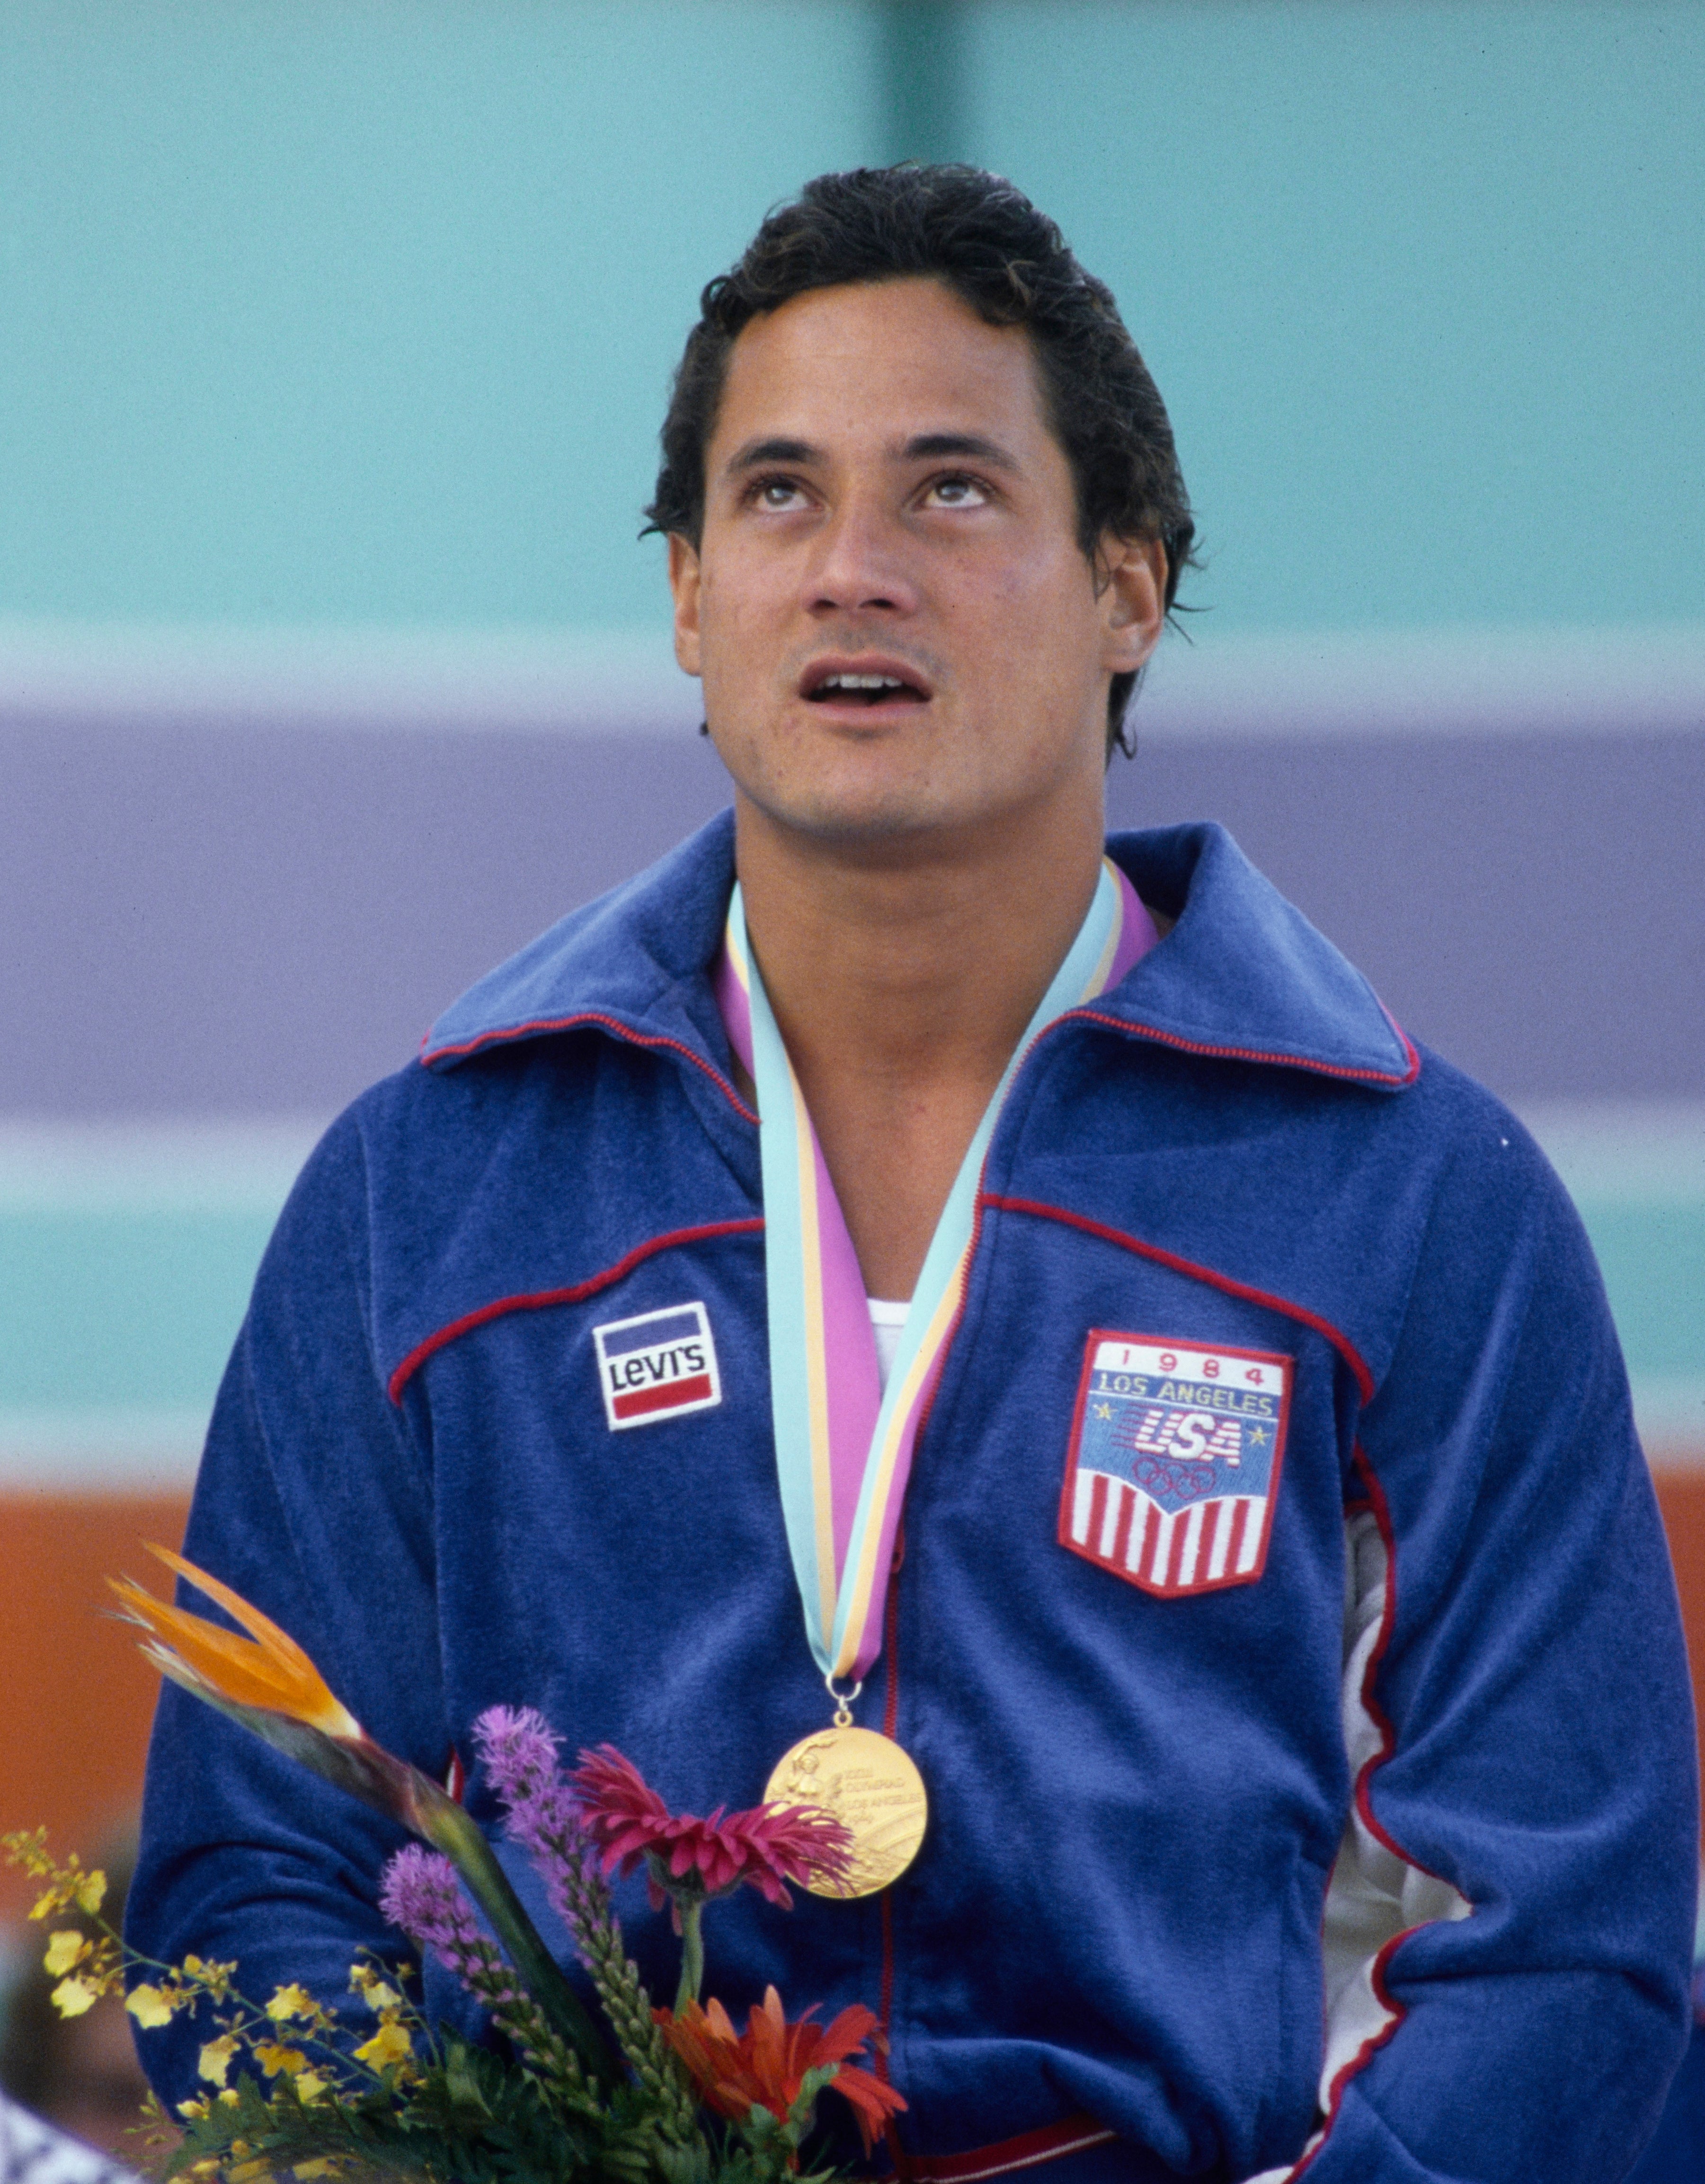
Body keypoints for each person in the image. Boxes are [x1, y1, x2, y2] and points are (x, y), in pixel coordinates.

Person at [129, 166, 1698, 2182]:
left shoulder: (1412, 1198)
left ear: (1129, 580)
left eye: (949, 488)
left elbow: (1556, 1939)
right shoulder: (424, 1193)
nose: (850, 564)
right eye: (776, 493)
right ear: (690, 596)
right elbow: (259, 1879)